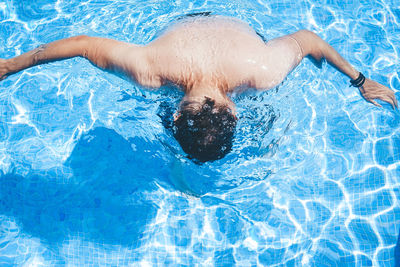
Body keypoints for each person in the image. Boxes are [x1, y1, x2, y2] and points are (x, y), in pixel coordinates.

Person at [0, 15, 397, 162]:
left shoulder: (261, 72)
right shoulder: (151, 71)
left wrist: (11, 65)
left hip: (201, 29)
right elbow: (83, 45)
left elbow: (81, 43)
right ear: (234, 112)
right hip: (214, 32)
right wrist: (359, 82)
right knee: (276, 117)